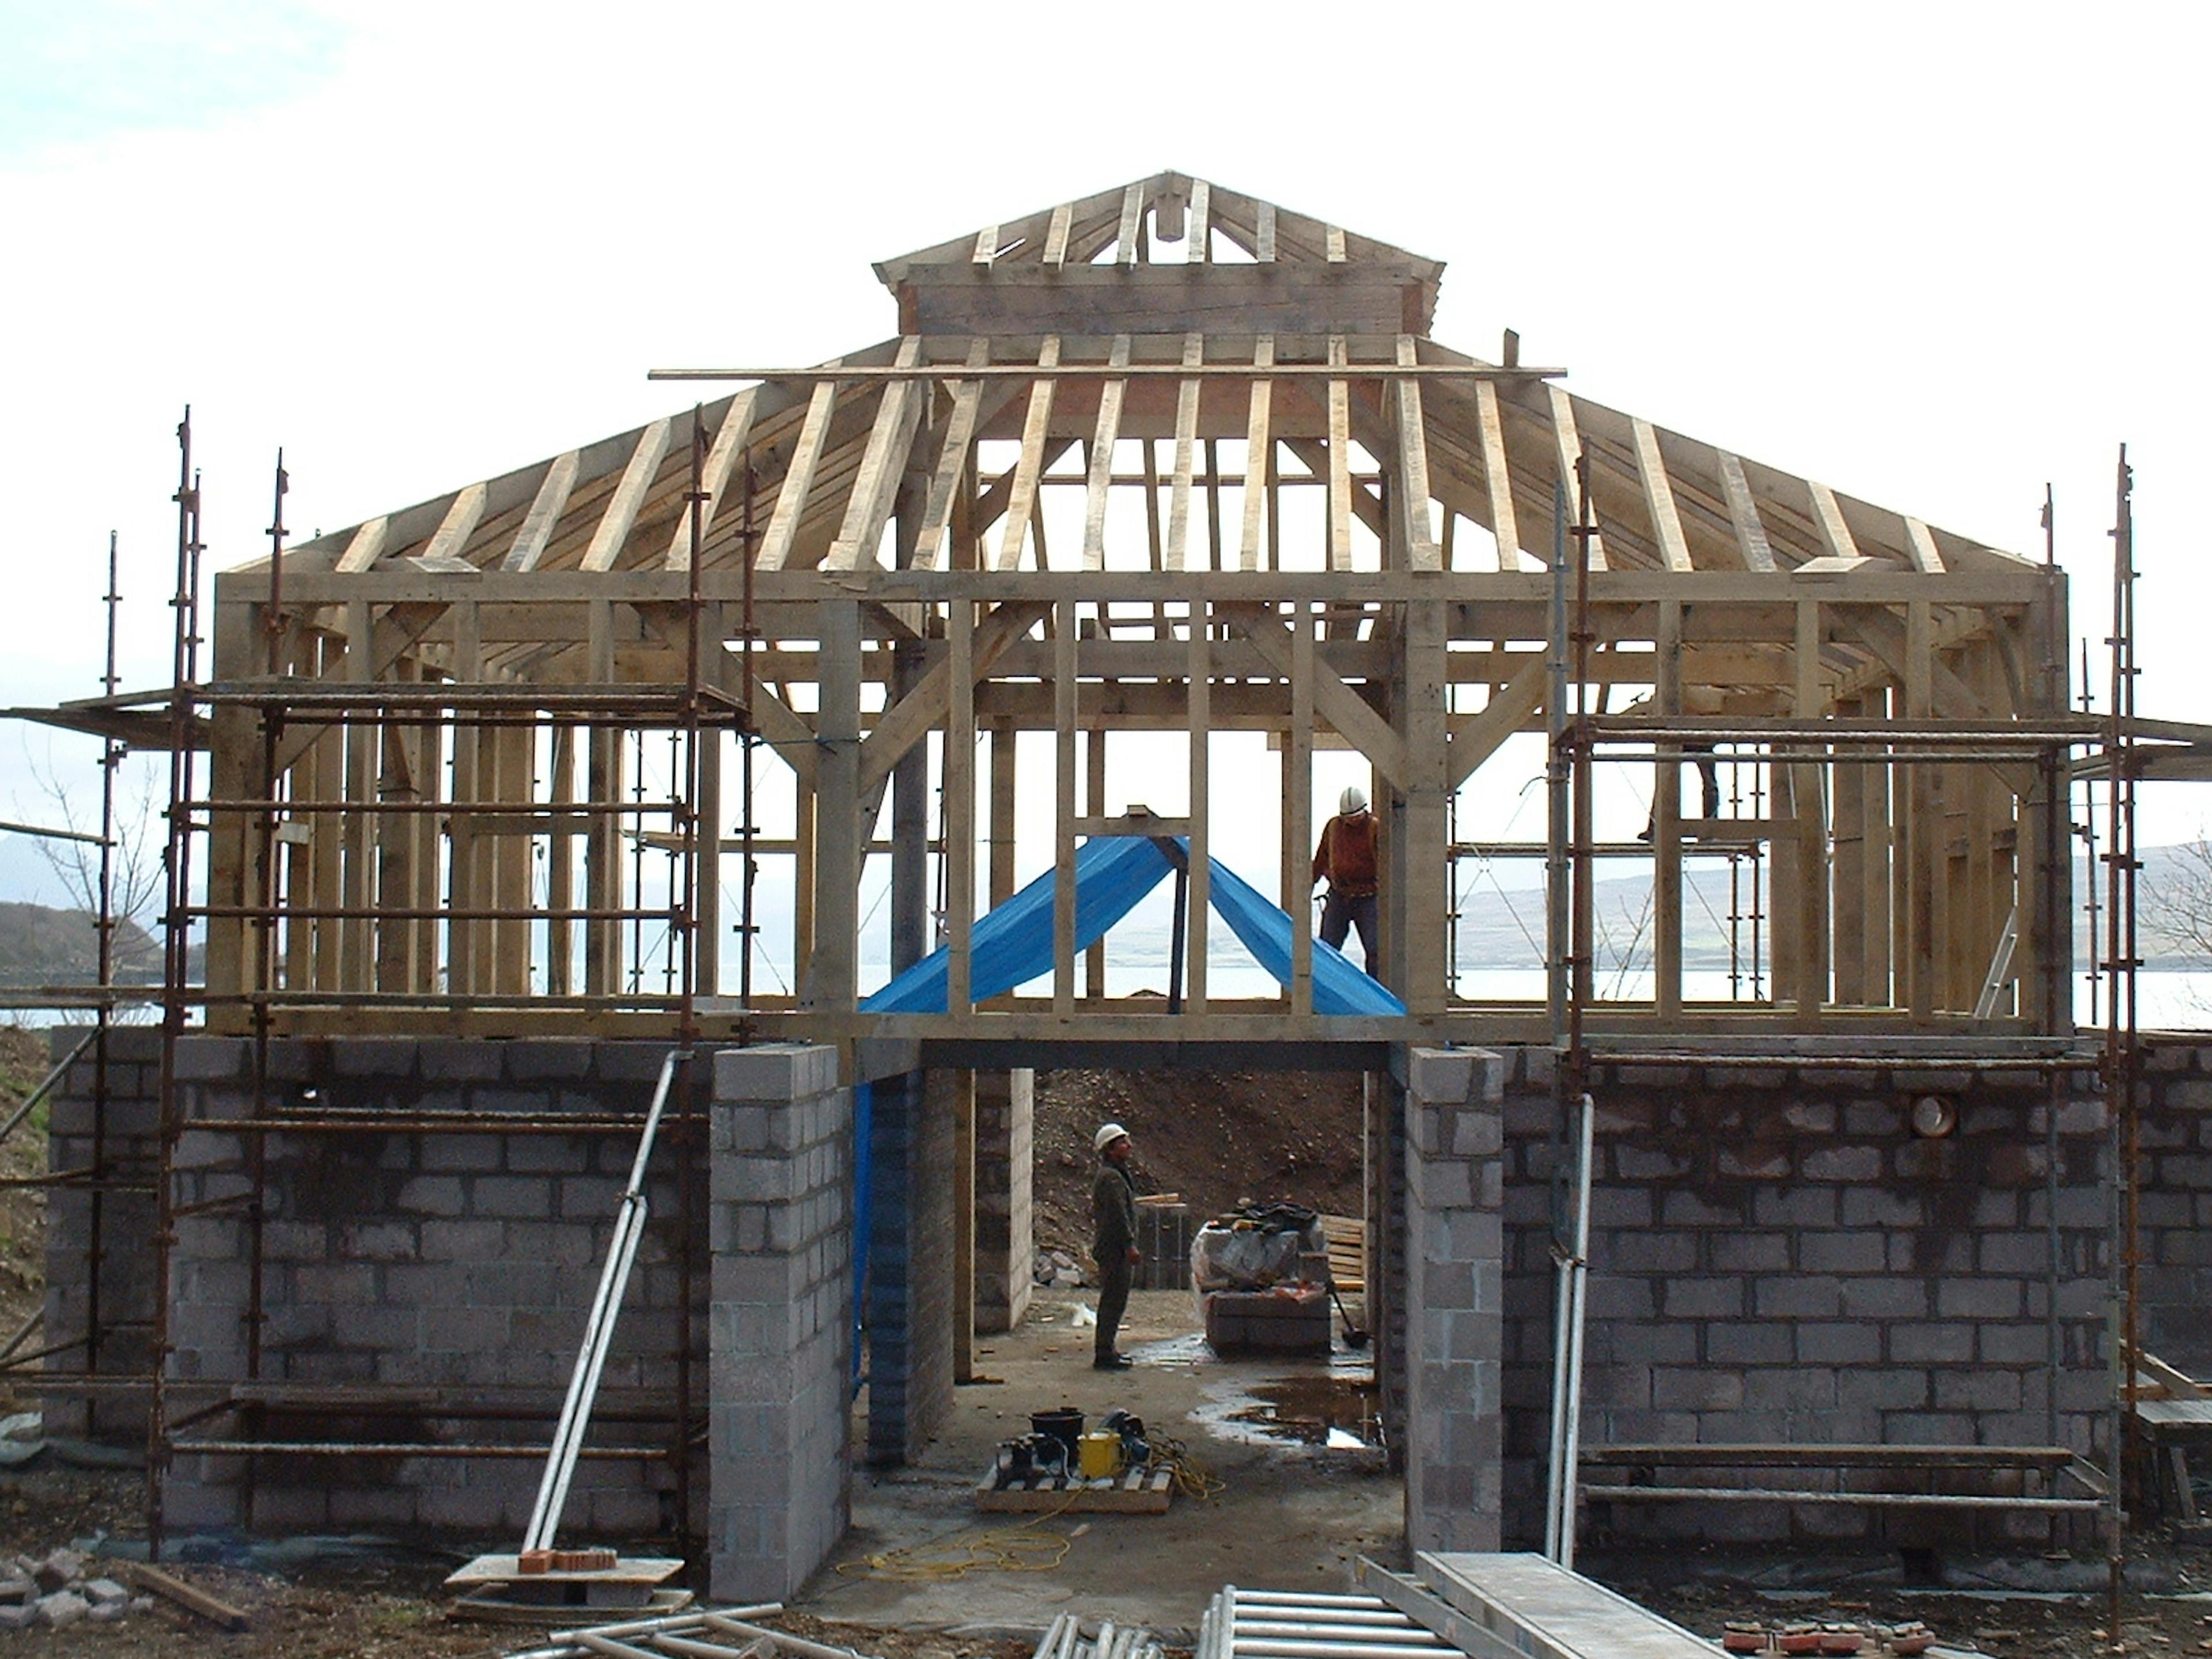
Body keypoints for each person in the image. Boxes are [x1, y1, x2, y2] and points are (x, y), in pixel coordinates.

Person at [1312, 785, 1381, 975]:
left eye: (1356, 817)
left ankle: (1375, 994)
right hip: (1339, 895)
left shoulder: (1374, 829)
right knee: (1327, 948)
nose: (1352, 822)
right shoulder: (1334, 827)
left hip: (1368, 897)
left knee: (1376, 950)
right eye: (1348, 818)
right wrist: (1310, 882)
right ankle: (1325, 992)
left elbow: (1387, 865)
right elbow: (1321, 858)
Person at [1089, 1123, 1139, 1370]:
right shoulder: (1111, 1178)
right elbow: (1119, 1215)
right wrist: (1129, 1245)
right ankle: (1104, 1353)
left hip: (1114, 1247)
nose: (1128, 1146)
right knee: (1113, 1301)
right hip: (1114, 1249)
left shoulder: (1114, 1174)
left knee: (1114, 1300)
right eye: (1122, 1142)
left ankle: (1108, 1349)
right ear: (1110, 1150)